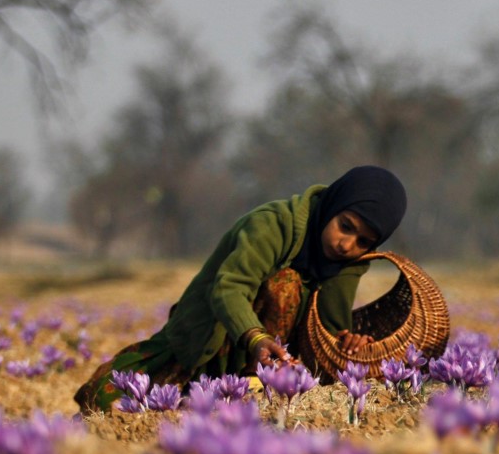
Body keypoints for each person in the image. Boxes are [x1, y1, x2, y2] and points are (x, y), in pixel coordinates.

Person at [75, 165, 407, 413]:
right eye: (345, 226)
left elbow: (327, 328)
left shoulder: (350, 262)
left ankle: (249, 394)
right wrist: (256, 338)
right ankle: (221, 390)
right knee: (115, 403)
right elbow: (229, 288)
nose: (347, 244)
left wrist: (347, 343)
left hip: (270, 367)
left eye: (364, 241)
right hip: (207, 343)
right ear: (333, 206)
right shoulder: (273, 224)